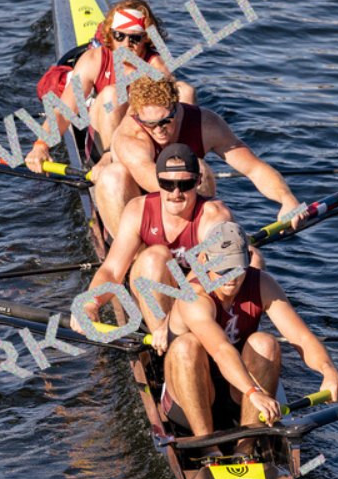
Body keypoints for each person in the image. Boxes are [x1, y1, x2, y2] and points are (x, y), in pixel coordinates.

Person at [161, 222, 338, 451]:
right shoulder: (193, 295)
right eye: (222, 268)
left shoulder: (262, 284)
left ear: (248, 259)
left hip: (240, 397)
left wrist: (328, 369)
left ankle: (246, 448)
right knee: (186, 346)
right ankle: (207, 447)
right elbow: (220, 350)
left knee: (265, 343)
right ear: (204, 260)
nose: (230, 278)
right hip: (190, 398)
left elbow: (302, 337)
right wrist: (254, 392)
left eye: (237, 268)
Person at [78, 144, 264, 350]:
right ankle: (167, 348)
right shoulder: (138, 210)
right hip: (156, 292)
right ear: (157, 181)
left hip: (201, 297)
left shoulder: (215, 217)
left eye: (185, 184)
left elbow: (201, 279)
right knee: (153, 258)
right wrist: (91, 303)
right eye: (167, 184)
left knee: (254, 259)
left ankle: (201, 340)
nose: (176, 193)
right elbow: (112, 270)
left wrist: (173, 321)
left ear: (198, 181)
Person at [91, 75, 304, 239]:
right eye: (150, 124)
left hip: (186, 203)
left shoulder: (205, 124)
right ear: (138, 116)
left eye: (166, 121)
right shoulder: (130, 137)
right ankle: (133, 256)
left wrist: (287, 200)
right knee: (113, 177)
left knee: (197, 169)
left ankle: (202, 244)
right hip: (142, 200)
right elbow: (159, 183)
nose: (159, 131)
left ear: (177, 106)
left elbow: (254, 169)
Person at [26, 0, 195, 172]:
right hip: (103, 144)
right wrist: (40, 145)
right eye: (119, 36)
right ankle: (109, 160)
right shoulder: (93, 60)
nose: (126, 44)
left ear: (146, 39)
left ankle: (183, 162)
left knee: (185, 92)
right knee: (111, 95)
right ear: (111, 36)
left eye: (134, 38)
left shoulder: (157, 67)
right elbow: (63, 112)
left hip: (143, 141)